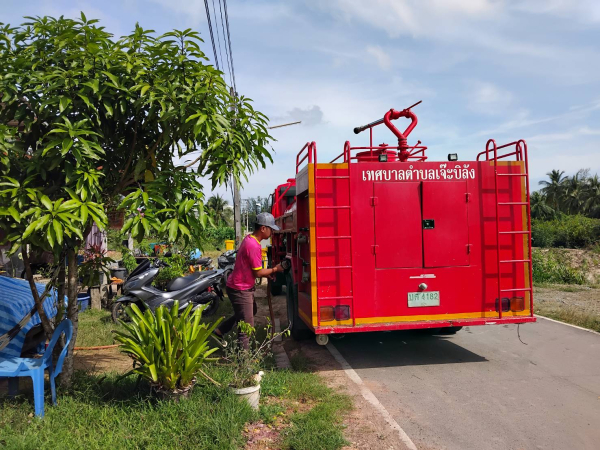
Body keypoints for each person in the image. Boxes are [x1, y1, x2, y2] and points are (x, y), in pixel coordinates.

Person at [215, 212, 283, 348]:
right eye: (270, 229)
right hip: (241, 289)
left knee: (249, 313)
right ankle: (244, 364)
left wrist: (267, 273)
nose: (271, 232)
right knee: (246, 328)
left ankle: (219, 330)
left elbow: (253, 269)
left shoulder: (249, 239)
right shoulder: (254, 246)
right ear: (263, 228)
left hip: (238, 285)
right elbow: (257, 272)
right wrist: (275, 269)